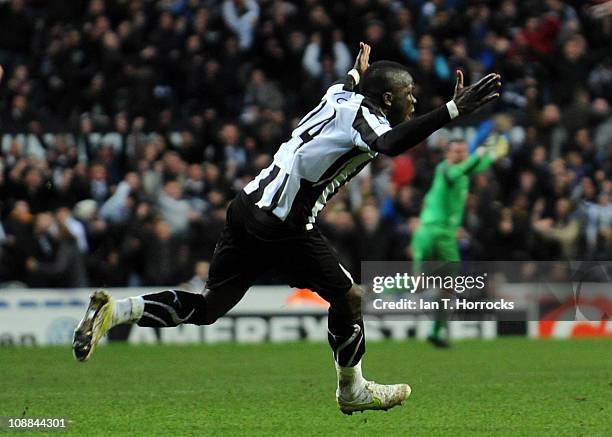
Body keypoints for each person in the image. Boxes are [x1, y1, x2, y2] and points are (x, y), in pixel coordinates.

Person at [72, 43, 501, 414]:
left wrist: (357, 68)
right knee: (349, 296)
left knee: (208, 308)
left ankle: (117, 310)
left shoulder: (338, 95)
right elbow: (389, 144)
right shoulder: (366, 119)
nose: (414, 101)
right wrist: (451, 110)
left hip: (246, 207)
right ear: (387, 98)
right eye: (410, 95)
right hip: (285, 224)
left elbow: (349, 82)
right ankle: (352, 389)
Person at [411, 135, 508, 348]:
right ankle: (370, 293)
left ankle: (437, 332)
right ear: (447, 154)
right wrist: (480, 154)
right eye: (456, 151)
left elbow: (475, 166)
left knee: (447, 286)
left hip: (446, 236)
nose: (461, 155)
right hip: (430, 232)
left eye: (464, 151)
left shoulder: (464, 171)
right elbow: (462, 170)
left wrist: (491, 155)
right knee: (419, 284)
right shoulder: (445, 170)